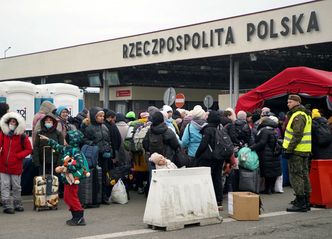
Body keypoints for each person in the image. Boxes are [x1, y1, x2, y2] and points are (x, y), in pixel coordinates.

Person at [40, 130, 87, 226]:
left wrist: (64, 168)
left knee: (72, 197)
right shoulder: (67, 149)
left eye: (66, 139)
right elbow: (58, 147)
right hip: (67, 178)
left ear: (71, 141)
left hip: (73, 179)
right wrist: (48, 140)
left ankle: (79, 217)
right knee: (67, 198)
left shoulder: (76, 151)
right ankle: (75, 216)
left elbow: (78, 164)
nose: (64, 140)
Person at [282, 95, 312, 212]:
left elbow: (297, 134)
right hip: (304, 150)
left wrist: (289, 149)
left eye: (290, 102)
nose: (288, 104)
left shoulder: (298, 115)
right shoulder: (305, 114)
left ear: (296, 102)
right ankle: (306, 200)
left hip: (296, 151)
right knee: (304, 175)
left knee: (296, 176)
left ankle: (301, 203)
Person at [0, 112, 32, 214]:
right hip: (3, 165)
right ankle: (6, 204)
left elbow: (28, 149)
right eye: (10, 122)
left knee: (16, 186)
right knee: (4, 185)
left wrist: (18, 156)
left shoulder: (22, 136)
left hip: (16, 165)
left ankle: (17, 203)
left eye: (14, 122)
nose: (12, 124)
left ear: (18, 124)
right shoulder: (3, 134)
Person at [82, 107, 113, 204]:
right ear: (94, 116)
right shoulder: (89, 127)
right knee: (96, 176)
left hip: (105, 156)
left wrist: (109, 149)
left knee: (104, 176)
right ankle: (95, 197)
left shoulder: (104, 127)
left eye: (103, 116)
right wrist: (95, 146)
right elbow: (84, 140)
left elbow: (108, 140)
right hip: (95, 156)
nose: (102, 118)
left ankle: (104, 196)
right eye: (99, 116)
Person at [195, 111, 224, 210]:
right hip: (219, 157)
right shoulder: (220, 128)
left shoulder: (208, 130)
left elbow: (203, 145)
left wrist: (197, 155)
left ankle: (208, 200)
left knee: (207, 179)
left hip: (208, 158)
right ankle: (219, 200)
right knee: (217, 178)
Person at [249, 117, 281, 194]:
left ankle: (268, 189)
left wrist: (251, 148)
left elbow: (262, 143)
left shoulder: (264, 131)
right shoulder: (273, 130)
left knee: (268, 173)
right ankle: (272, 188)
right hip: (274, 154)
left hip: (266, 154)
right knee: (273, 172)